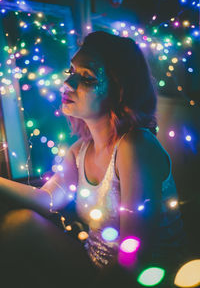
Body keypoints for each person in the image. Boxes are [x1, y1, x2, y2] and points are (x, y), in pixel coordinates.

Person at [0, 31, 186, 287]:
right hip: (94, 265)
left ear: (119, 91)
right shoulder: (80, 150)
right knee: (18, 223)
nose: (67, 84)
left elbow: (134, 253)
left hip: (146, 279)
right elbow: (49, 199)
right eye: (71, 72)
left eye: (86, 77)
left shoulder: (135, 145)